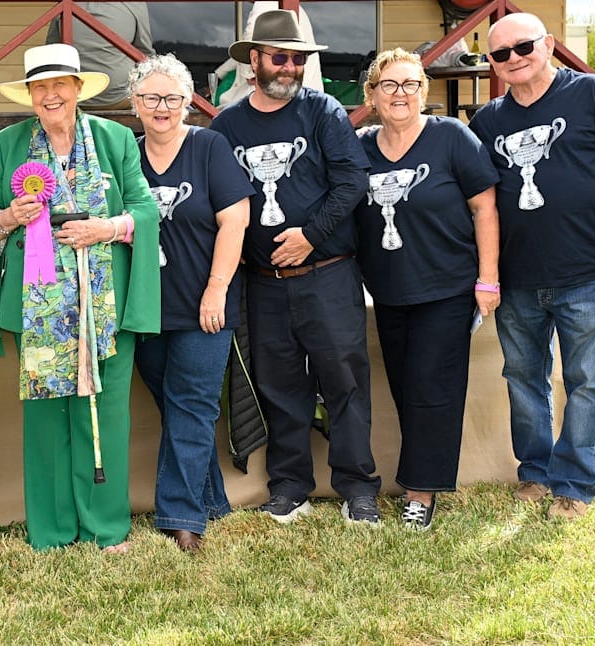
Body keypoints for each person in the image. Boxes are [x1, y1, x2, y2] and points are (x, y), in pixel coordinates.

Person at [0, 43, 160, 552]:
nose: (50, 95)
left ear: (78, 90)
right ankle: (52, 531)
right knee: (47, 415)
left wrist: (106, 228)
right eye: (40, 87)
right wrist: (10, 218)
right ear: (30, 95)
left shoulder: (116, 138)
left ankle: (105, 526)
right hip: (39, 305)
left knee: (106, 409)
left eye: (59, 85)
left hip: (105, 302)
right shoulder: (7, 143)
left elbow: (144, 208)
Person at [468, 13, 595, 520]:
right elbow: (476, 200)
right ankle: (536, 472)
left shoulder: (593, 94)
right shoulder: (486, 124)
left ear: (548, 44)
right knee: (524, 379)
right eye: (499, 54)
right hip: (517, 279)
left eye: (522, 47)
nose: (512, 59)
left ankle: (574, 483)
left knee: (587, 380)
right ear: (492, 63)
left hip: (590, 271)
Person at [209, 9, 381, 525]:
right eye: (280, 58)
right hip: (262, 283)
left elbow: (353, 181)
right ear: (254, 61)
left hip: (327, 273)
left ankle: (358, 489)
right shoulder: (227, 124)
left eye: (299, 59)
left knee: (344, 381)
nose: (290, 68)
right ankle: (290, 487)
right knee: (279, 386)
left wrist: (310, 235)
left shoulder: (323, 111)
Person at [355, 49, 500, 529]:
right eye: (390, 85)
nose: (401, 94)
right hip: (390, 291)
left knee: (432, 389)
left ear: (424, 91)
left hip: (447, 288)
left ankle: (421, 491)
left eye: (410, 84)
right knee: (404, 385)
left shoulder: (452, 138)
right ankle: (418, 475)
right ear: (372, 95)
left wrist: (487, 278)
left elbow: (485, 210)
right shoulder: (360, 147)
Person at [128, 54, 253, 552]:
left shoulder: (209, 147)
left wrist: (216, 288)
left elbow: (235, 220)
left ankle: (181, 517)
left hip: (206, 305)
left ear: (187, 103)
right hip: (144, 307)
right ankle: (212, 500)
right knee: (175, 404)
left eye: (173, 98)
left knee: (194, 405)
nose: (163, 107)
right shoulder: (125, 154)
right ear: (134, 103)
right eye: (153, 98)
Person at [46, 2, 154, 110]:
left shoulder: (63, 6)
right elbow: (144, 55)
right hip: (121, 97)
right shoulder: (134, 5)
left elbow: (51, 53)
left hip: (75, 97)